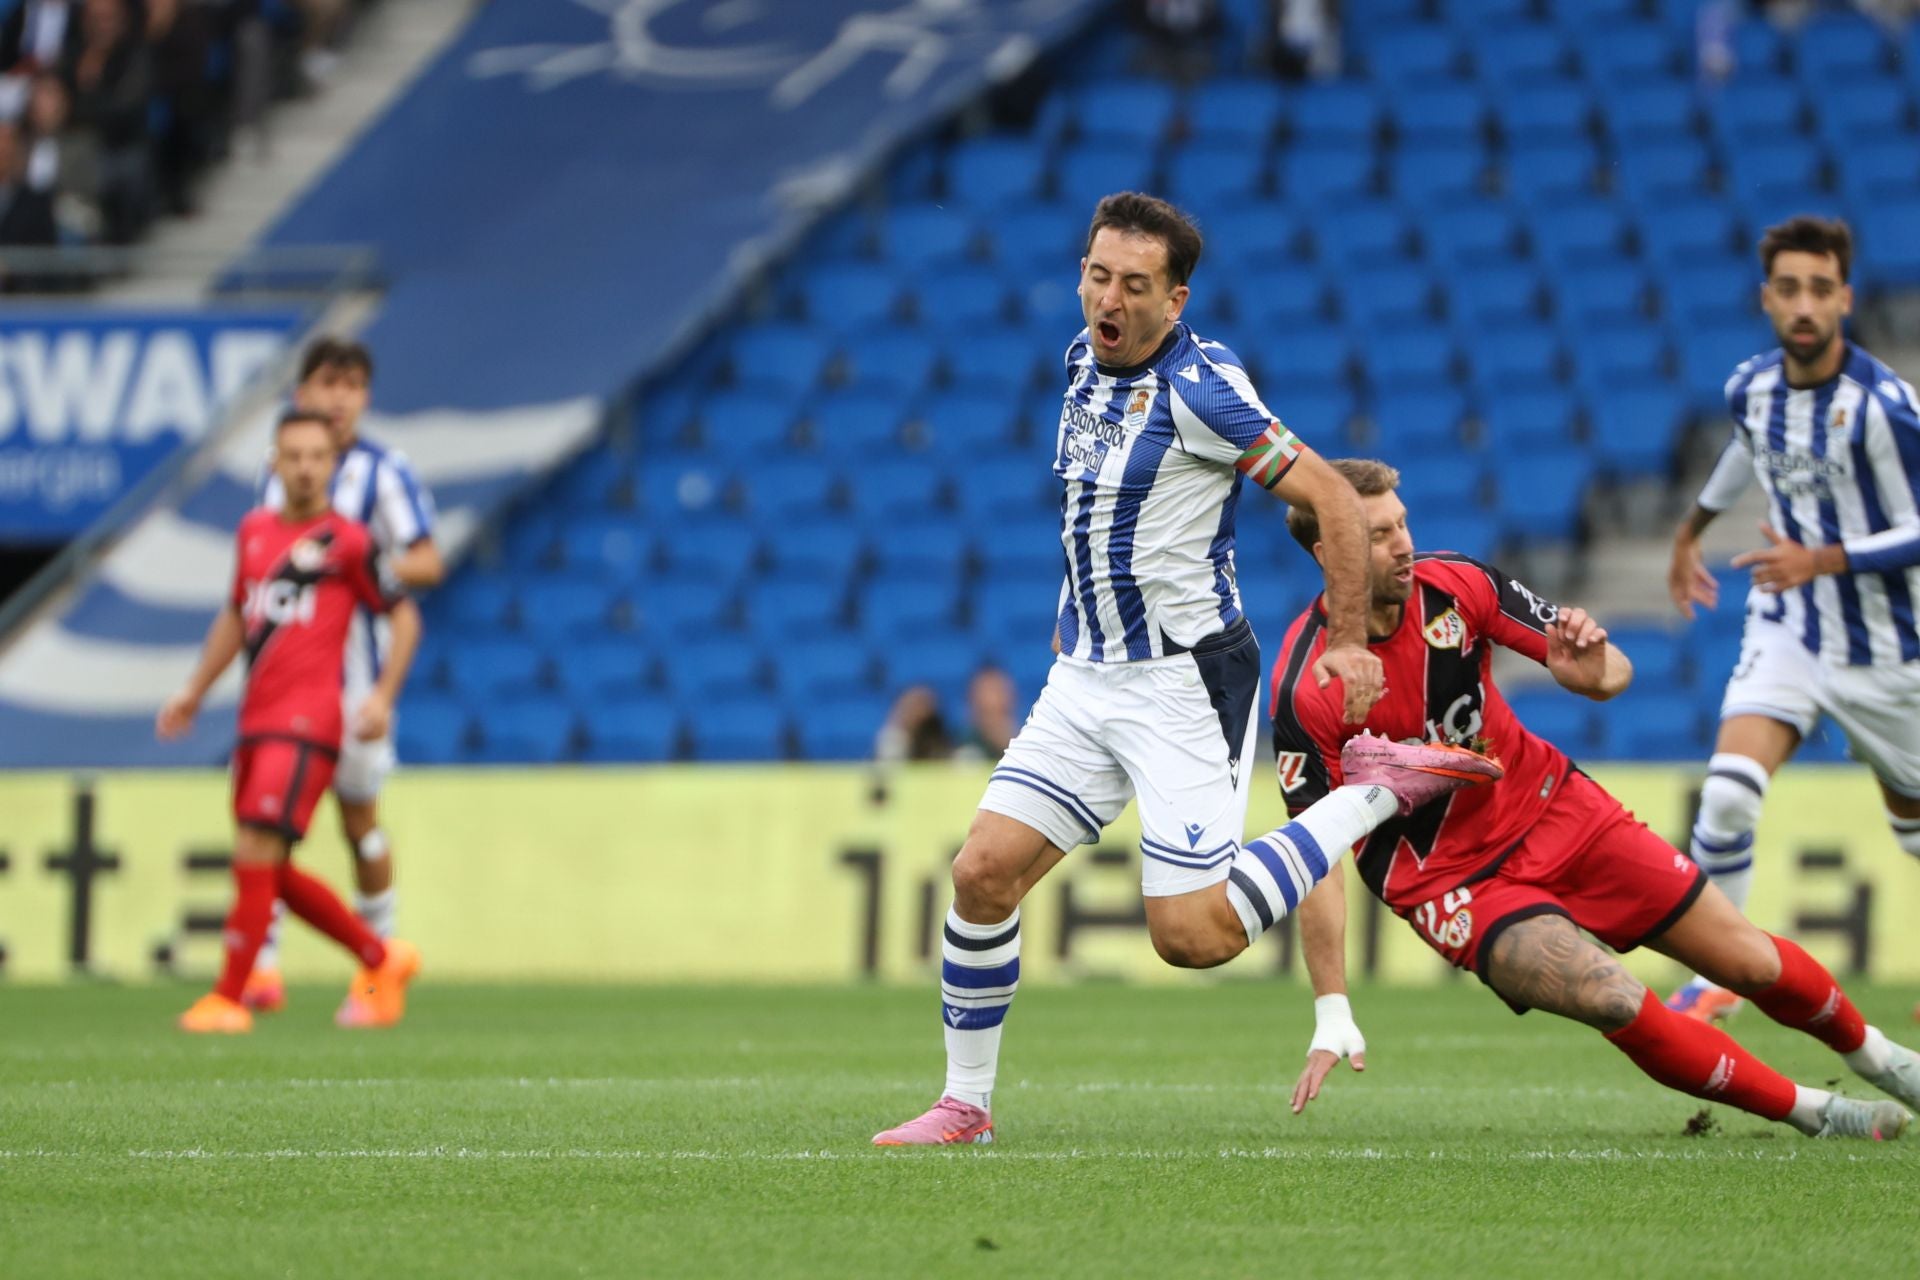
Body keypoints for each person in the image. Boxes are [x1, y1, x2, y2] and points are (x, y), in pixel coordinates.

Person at [872, 192, 1500, 1147]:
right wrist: (1068, 619)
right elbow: (1092, 511)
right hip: (1086, 675)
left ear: (1176, 298)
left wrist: (1344, 641)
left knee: (1192, 937)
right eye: (1096, 276)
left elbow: (1332, 495)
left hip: (1181, 685)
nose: (1106, 300)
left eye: (1133, 285)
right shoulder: (1083, 361)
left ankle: (1380, 792)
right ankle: (967, 1105)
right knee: (982, 874)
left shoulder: (1204, 391)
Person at [1273, 457, 1919, 1140]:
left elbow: (1612, 674)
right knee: (1609, 996)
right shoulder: (1305, 689)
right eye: (1376, 535)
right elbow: (1316, 858)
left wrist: (1590, 668)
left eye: (1402, 524)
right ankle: (1817, 1113)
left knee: (1750, 961)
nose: (1403, 543)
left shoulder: (1459, 585)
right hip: (1451, 882)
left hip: (1556, 808)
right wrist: (1332, 1006)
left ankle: (1880, 1058)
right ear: (1328, 550)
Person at [1665, 216, 1920, 1024]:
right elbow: (1747, 446)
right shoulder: (1752, 387)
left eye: (1820, 289)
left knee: (1913, 826)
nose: (1803, 305)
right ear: (1766, 299)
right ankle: (1718, 976)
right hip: (1790, 623)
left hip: (1888, 645)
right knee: (1730, 793)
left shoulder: (1883, 408)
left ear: (1844, 299)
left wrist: (1828, 558)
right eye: (1788, 289)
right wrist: (1692, 529)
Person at [158, 410, 423, 1034]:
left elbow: (405, 616)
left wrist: (382, 696)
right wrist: (195, 690)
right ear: (274, 463)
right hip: (255, 720)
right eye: (293, 456)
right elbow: (235, 613)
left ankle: (228, 998)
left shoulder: (350, 541)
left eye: (317, 457)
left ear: (333, 465)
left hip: (307, 722)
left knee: (255, 849)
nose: (305, 467)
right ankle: (383, 957)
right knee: (265, 867)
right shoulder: (253, 532)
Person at [245, 337, 444, 1018]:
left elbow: (426, 561)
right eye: (328, 383)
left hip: (353, 676)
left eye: (353, 385)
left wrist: (355, 561)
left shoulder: (384, 472)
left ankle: (378, 962)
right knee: (265, 825)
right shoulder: (277, 475)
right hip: (283, 680)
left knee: (359, 823)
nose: (340, 397)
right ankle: (259, 966)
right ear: (303, 393)